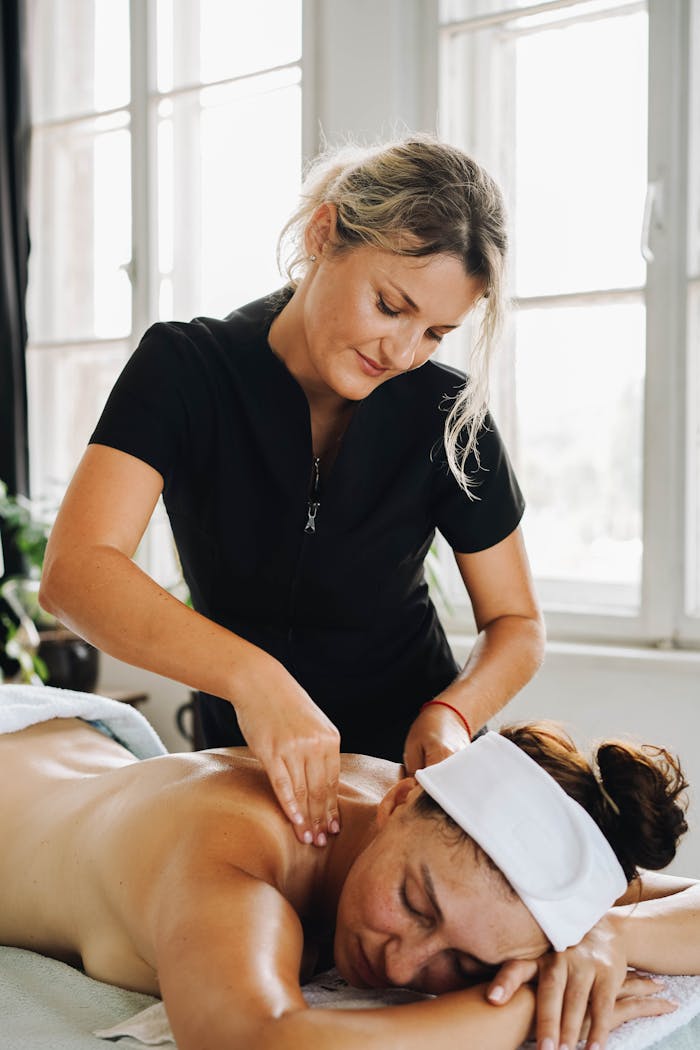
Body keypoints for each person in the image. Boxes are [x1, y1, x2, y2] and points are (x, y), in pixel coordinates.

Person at [39, 135, 545, 847]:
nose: (401, 353)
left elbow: (517, 625)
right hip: (248, 771)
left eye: (434, 332)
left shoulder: (447, 412)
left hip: (414, 783)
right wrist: (255, 680)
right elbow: (75, 573)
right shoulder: (185, 370)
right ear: (323, 234)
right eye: (389, 305)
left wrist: (454, 713)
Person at [0, 685, 697, 1050]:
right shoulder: (236, 849)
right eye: (416, 904)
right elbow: (252, 1042)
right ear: (400, 797)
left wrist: (610, 936)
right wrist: (522, 1006)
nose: (403, 968)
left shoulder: (451, 838)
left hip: (80, 756)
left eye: (467, 965)